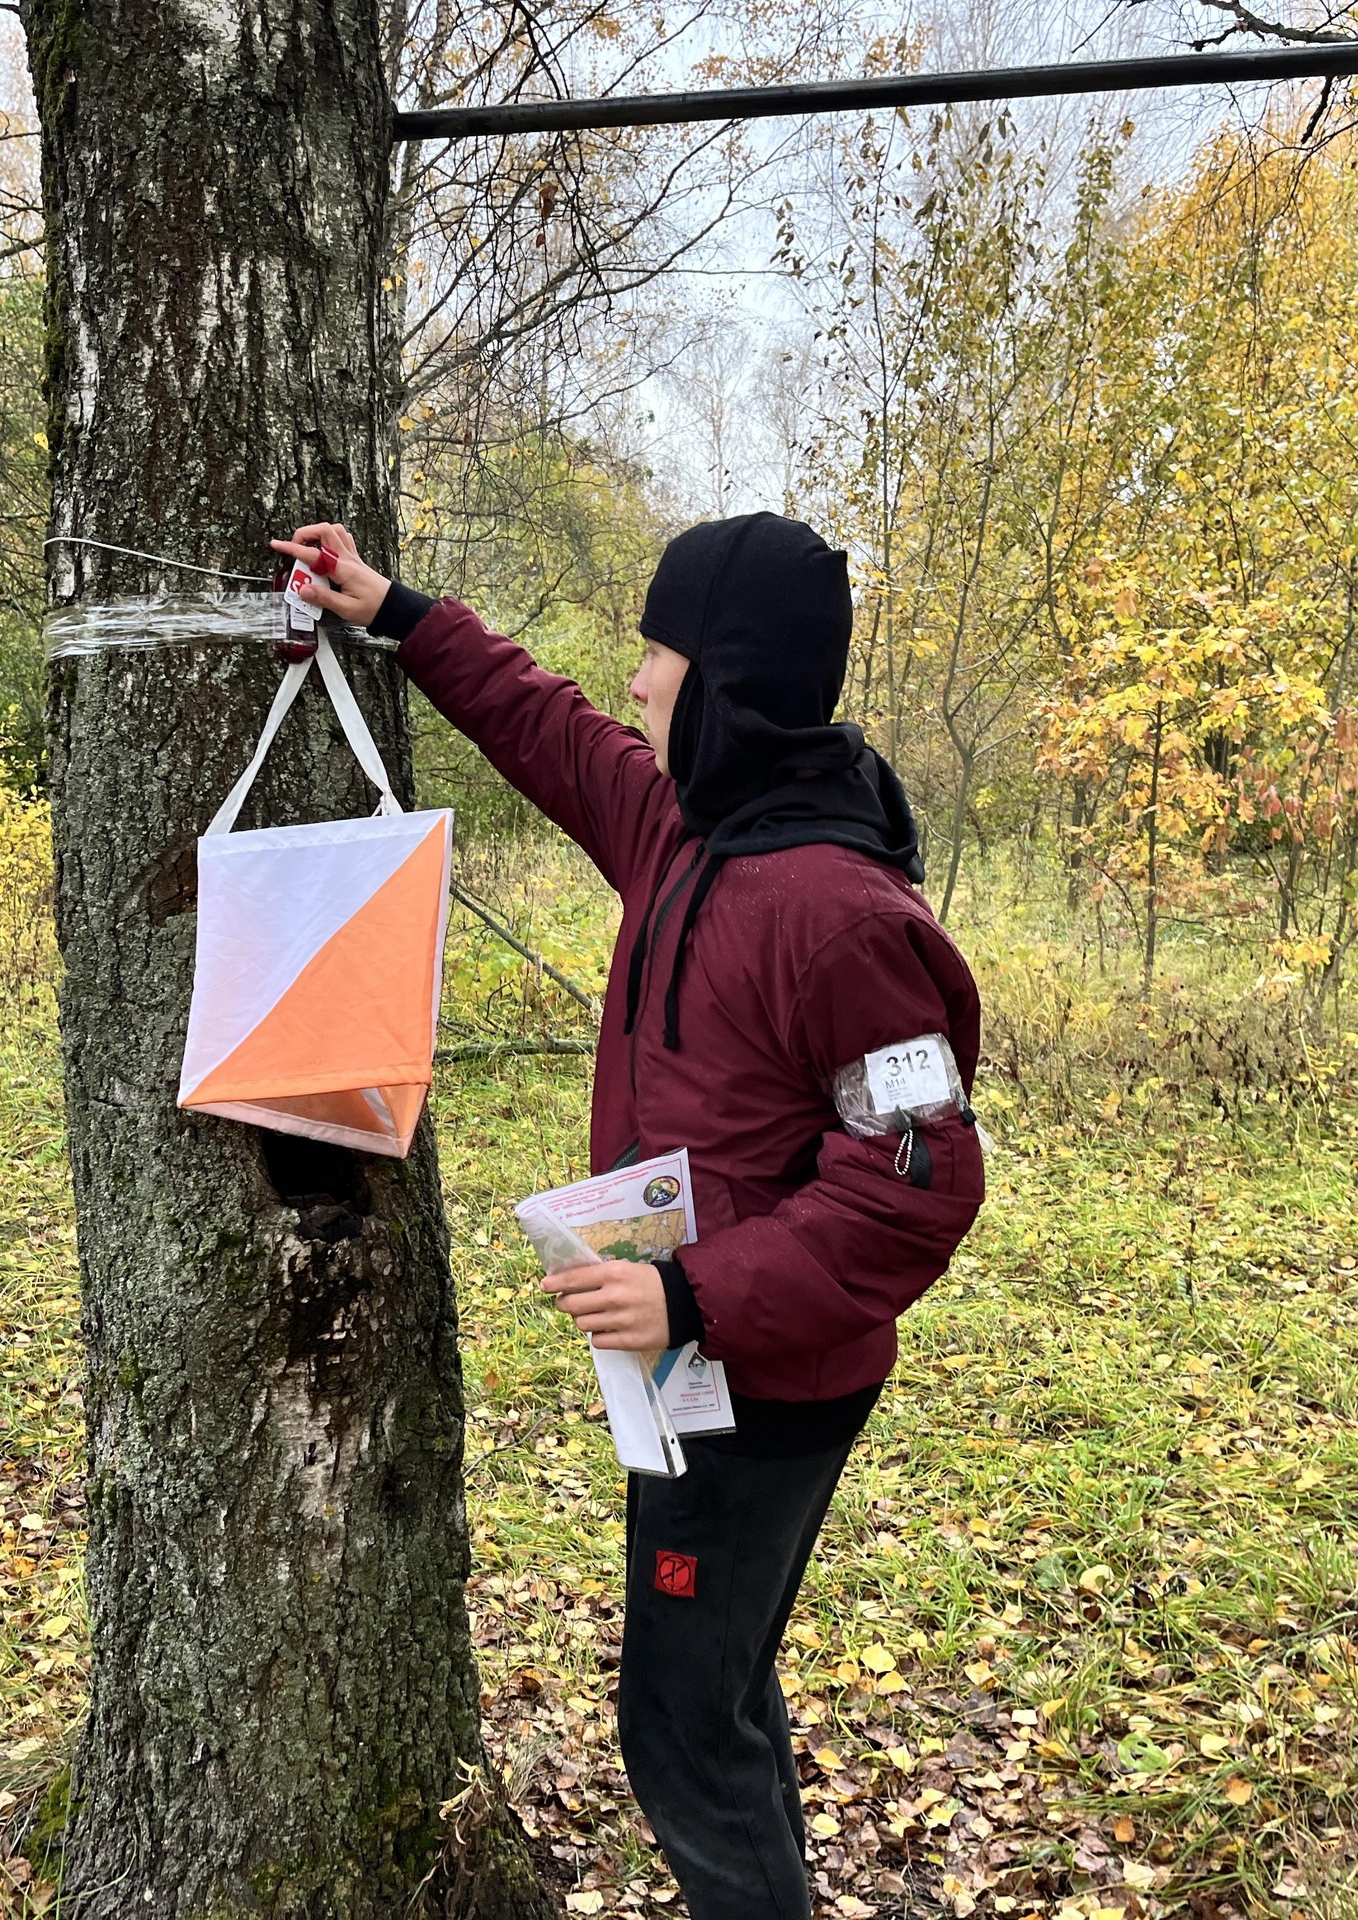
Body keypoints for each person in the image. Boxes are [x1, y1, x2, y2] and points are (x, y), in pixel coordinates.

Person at [275, 514, 986, 1920]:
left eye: (664, 656)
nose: (641, 683)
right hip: (687, 1370)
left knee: (677, 1722)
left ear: (729, 684)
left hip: (759, 1389)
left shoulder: (843, 917)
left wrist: (698, 1296)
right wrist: (395, 611)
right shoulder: (680, 828)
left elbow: (918, 1180)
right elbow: (550, 729)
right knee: (720, 1685)